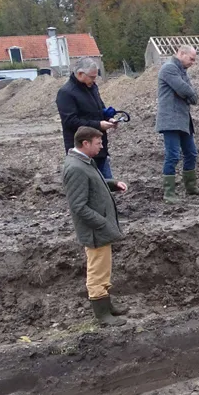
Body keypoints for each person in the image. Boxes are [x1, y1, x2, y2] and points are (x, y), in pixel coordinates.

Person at [62, 126, 129, 327]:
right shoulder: (75, 168)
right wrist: (102, 223)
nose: (102, 146)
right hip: (94, 231)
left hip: (98, 229)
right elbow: (78, 206)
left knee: (103, 268)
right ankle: (102, 315)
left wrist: (113, 183)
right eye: (98, 143)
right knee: (97, 271)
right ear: (85, 143)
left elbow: (94, 183)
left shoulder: (84, 162)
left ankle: (107, 306)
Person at [156, 44, 199, 203]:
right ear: (182, 54)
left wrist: (186, 93)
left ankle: (191, 187)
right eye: (191, 59)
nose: (193, 62)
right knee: (173, 156)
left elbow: (193, 95)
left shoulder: (182, 71)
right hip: (170, 121)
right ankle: (169, 193)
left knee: (191, 153)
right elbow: (185, 90)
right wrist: (186, 93)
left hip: (183, 120)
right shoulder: (169, 69)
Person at [56, 58, 117, 180]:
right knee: (89, 187)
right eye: (92, 77)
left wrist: (108, 118)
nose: (94, 80)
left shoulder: (92, 87)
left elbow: (100, 108)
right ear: (80, 74)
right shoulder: (66, 93)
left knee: (107, 186)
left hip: (99, 147)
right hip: (81, 151)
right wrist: (98, 125)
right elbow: (70, 121)